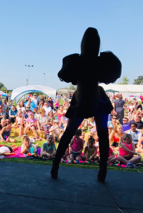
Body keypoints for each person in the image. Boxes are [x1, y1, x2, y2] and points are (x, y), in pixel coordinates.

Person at [51, 28, 121, 182]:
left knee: (69, 133)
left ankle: (55, 166)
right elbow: (112, 75)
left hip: (81, 99)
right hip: (98, 98)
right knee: (102, 135)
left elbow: (65, 75)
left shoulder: (75, 60)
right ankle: (103, 171)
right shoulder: (102, 60)